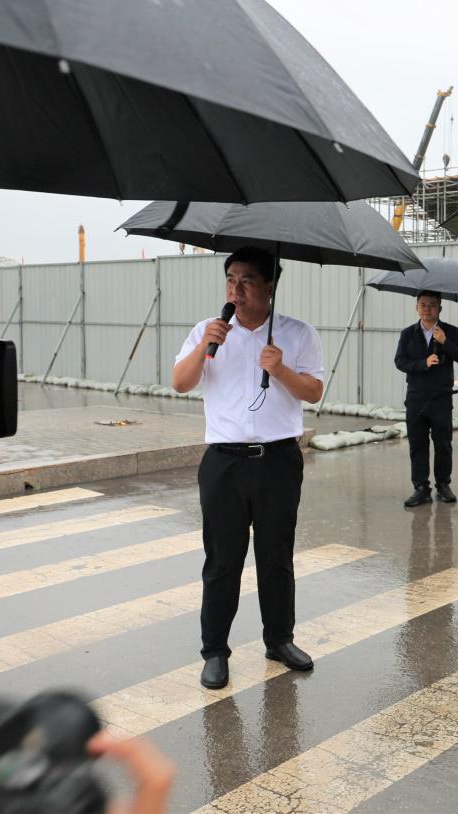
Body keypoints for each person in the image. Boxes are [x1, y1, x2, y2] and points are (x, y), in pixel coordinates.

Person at [172, 247, 324, 689]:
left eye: (247, 281)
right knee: (222, 561)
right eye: (230, 280)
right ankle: (215, 651)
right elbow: (180, 382)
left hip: (277, 460)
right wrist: (206, 345)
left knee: (276, 557)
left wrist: (280, 370)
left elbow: (312, 392)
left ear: (270, 286)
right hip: (223, 463)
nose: (235, 290)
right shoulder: (208, 331)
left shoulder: (297, 333)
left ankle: (279, 640)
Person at [394, 290, 458, 507]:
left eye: (432, 305)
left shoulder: (450, 331)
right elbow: (400, 361)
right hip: (416, 398)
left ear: (440, 309)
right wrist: (423, 364)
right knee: (418, 443)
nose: (427, 309)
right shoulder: (408, 333)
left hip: (441, 398)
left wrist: (445, 342)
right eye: (423, 305)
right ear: (417, 307)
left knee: (443, 443)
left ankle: (443, 484)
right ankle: (421, 487)